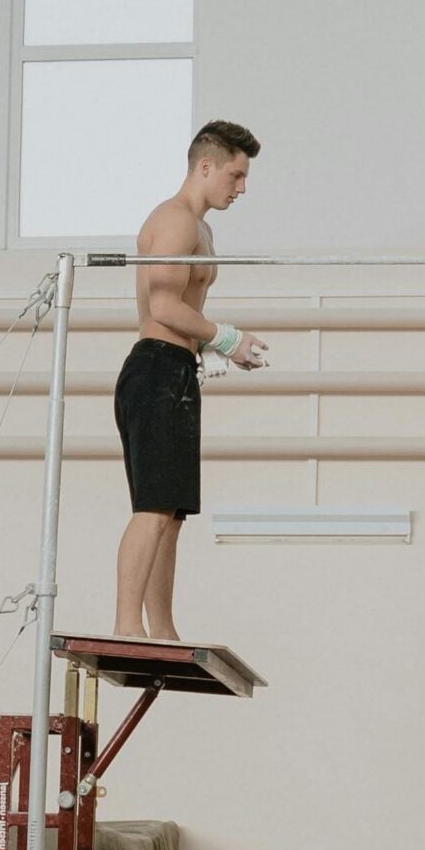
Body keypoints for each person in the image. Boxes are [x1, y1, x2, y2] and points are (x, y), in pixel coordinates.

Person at [112, 120, 266, 640]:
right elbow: (163, 305)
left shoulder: (204, 229)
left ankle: (162, 628)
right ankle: (127, 625)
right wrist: (225, 338)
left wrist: (208, 348)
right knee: (152, 508)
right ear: (205, 166)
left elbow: (184, 310)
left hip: (177, 369)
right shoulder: (175, 221)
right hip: (154, 368)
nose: (241, 188)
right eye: (235, 175)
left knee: (171, 514)